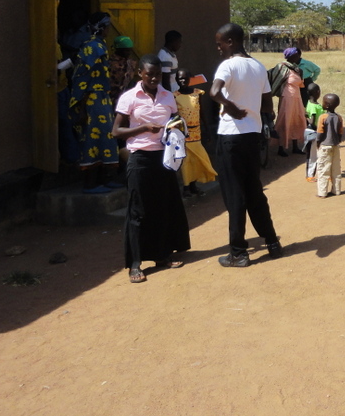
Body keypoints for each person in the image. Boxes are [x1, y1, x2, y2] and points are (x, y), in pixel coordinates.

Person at [113, 54, 191, 284]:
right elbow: (116, 131)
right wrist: (143, 128)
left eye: (157, 74)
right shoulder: (129, 97)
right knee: (138, 209)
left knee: (163, 205)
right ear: (140, 74)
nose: (154, 78)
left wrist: (176, 128)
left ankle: (162, 254)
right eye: (149, 74)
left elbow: (174, 120)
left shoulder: (168, 96)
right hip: (140, 158)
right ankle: (135, 262)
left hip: (164, 157)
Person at [210, 23, 282, 268]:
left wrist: (229, 107)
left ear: (231, 41)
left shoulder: (228, 65)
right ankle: (272, 242)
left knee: (235, 195)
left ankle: (238, 252)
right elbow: (268, 106)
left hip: (230, 137)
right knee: (254, 191)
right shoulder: (258, 67)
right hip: (252, 136)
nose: (218, 48)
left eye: (220, 43)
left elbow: (214, 91)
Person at [69, 12, 118, 193]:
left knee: (106, 139)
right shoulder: (91, 47)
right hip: (91, 100)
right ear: (101, 27)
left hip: (102, 99)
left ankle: (105, 179)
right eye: (107, 27)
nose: (108, 30)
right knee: (92, 139)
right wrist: (80, 105)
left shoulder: (100, 45)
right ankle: (90, 183)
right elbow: (82, 75)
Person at [174, 69, 218, 197]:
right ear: (176, 80)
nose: (182, 81)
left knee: (198, 159)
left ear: (190, 79)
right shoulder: (175, 95)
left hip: (196, 132)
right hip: (183, 133)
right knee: (186, 161)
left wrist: (207, 130)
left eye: (185, 78)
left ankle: (194, 185)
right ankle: (187, 187)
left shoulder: (197, 93)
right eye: (180, 78)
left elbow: (201, 112)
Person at [269, 47, 307, 156]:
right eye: (296, 55)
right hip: (287, 97)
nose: (298, 57)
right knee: (285, 121)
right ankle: (281, 147)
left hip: (297, 98)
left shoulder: (297, 69)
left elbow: (301, 84)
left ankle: (295, 147)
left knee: (297, 121)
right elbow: (274, 79)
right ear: (290, 56)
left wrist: (300, 73)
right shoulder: (281, 67)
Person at [314, 93, 343, 199]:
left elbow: (320, 132)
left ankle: (322, 192)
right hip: (335, 146)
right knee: (336, 170)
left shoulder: (323, 117)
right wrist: (337, 141)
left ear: (327, 105)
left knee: (323, 170)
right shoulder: (339, 118)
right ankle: (337, 190)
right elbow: (340, 132)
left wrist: (318, 142)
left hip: (325, 146)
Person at [108, 36, 138, 106]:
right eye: (126, 50)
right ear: (118, 50)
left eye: (129, 50)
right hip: (111, 97)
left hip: (126, 97)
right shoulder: (111, 64)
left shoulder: (130, 63)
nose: (129, 53)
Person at [303, 82, 323, 182]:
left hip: (309, 132)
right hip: (313, 132)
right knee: (312, 155)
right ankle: (310, 175)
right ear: (317, 92)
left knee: (310, 155)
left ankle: (310, 174)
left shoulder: (309, 103)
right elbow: (312, 121)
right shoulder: (315, 106)